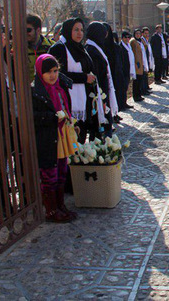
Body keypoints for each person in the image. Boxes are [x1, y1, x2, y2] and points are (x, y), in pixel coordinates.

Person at [32, 54, 77, 222]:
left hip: (62, 135)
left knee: (62, 172)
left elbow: (66, 107)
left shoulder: (60, 88)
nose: (52, 75)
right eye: (48, 72)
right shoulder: (36, 92)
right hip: (48, 139)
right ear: (39, 72)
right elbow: (33, 116)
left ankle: (60, 205)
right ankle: (51, 210)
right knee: (49, 175)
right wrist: (51, 117)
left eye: (55, 71)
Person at [48, 18, 96, 143]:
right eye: (76, 30)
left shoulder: (80, 48)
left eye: (81, 30)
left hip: (83, 99)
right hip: (67, 100)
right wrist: (84, 78)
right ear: (68, 30)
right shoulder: (59, 48)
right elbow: (58, 75)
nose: (80, 33)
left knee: (81, 134)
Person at [85, 22, 117, 138]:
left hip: (103, 91)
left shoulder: (96, 48)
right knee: (101, 126)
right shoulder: (92, 51)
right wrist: (102, 99)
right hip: (98, 95)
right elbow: (96, 76)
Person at [26, 13, 54, 81]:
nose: (25, 33)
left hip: (47, 89)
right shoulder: (18, 48)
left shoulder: (52, 46)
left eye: (28, 30)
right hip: (27, 89)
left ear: (38, 30)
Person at [119, 31, 136, 110]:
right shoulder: (121, 47)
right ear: (122, 38)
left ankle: (124, 102)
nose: (127, 39)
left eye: (128, 37)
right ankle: (121, 104)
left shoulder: (128, 46)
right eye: (125, 37)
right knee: (122, 88)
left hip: (129, 70)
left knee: (126, 87)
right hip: (124, 70)